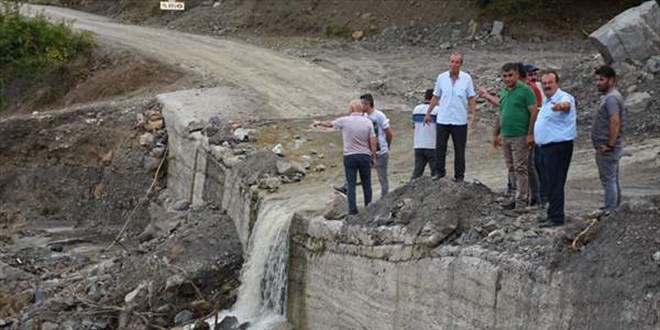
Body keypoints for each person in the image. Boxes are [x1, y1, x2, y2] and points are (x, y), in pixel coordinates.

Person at [481, 62, 538, 210]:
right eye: (504, 76)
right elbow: (502, 113)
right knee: (511, 167)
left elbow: (533, 112)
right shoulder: (504, 92)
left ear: (517, 75)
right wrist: (496, 134)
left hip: (520, 135)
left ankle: (522, 200)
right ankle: (513, 196)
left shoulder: (526, 91)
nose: (507, 79)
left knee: (521, 167)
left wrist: (530, 133)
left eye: (510, 75)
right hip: (506, 135)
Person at [314, 100, 378, 215]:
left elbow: (330, 124)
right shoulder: (368, 122)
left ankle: (353, 210)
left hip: (350, 156)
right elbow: (373, 141)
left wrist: (318, 122)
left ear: (352, 109)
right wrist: (373, 156)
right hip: (364, 155)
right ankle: (368, 208)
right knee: (367, 183)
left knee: (351, 183)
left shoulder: (345, 121)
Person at [423, 52, 477, 183]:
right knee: (440, 147)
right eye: (452, 61)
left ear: (461, 64)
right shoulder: (441, 78)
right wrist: (428, 113)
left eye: (457, 62)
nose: (453, 65)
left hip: (459, 120)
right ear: (448, 62)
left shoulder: (466, 79)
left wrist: (473, 115)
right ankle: (439, 172)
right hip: (444, 118)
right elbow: (436, 96)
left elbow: (471, 97)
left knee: (459, 149)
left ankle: (459, 175)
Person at [534, 70, 577, 227]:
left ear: (557, 83)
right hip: (546, 147)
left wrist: (561, 106)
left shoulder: (563, 97)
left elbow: (566, 105)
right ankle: (552, 212)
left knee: (556, 182)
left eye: (550, 83)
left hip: (558, 147)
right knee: (548, 181)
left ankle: (557, 217)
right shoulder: (547, 100)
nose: (546, 86)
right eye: (544, 83)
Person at [592, 65, 626, 214]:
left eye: (602, 79)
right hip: (608, 145)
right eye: (597, 80)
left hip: (607, 147)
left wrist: (610, 144)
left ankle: (610, 210)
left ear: (611, 80)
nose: (598, 83)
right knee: (612, 178)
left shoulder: (612, 98)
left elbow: (615, 121)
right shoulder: (610, 97)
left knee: (609, 180)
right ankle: (614, 207)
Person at [361, 93, 393, 197]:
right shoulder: (364, 116)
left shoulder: (379, 115)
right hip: (367, 151)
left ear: (367, 104)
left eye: (362, 104)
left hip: (380, 151)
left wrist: (387, 146)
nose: (360, 106)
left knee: (382, 178)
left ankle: (384, 199)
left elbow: (389, 133)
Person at [411, 89, 438, 180]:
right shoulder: (437, 110)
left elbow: (413, 125)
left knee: (417, 172)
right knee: (435, 173)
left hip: (418, 145)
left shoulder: (416, 109)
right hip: (432, 145)